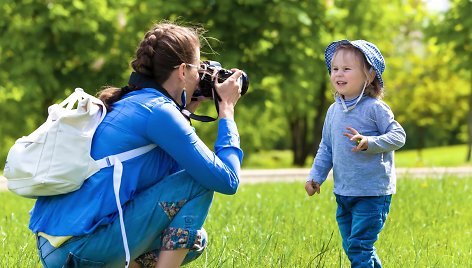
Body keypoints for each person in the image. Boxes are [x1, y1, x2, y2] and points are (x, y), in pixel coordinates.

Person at [29, 21, 244, 268]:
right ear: (183, 71)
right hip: (80, 249)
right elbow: (226, 179)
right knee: (200, 180)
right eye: (198, 69)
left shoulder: (133, 102)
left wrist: (187, 111)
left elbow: (169, 182)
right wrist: (226, 110)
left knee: (194, 240)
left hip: (54, 250)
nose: (200, 77)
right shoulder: (159, 112)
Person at [305, 40, 406, 267]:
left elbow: (399, 136)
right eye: (334, 69)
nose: (338, 74)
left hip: (372, 193)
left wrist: (370, 141)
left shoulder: (375, 108)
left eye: (347, 69)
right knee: (353, 246)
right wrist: (315, 176)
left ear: (369, 76)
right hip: (344, 192)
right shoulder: (334, 110)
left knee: (360, 245)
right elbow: (326, 147)